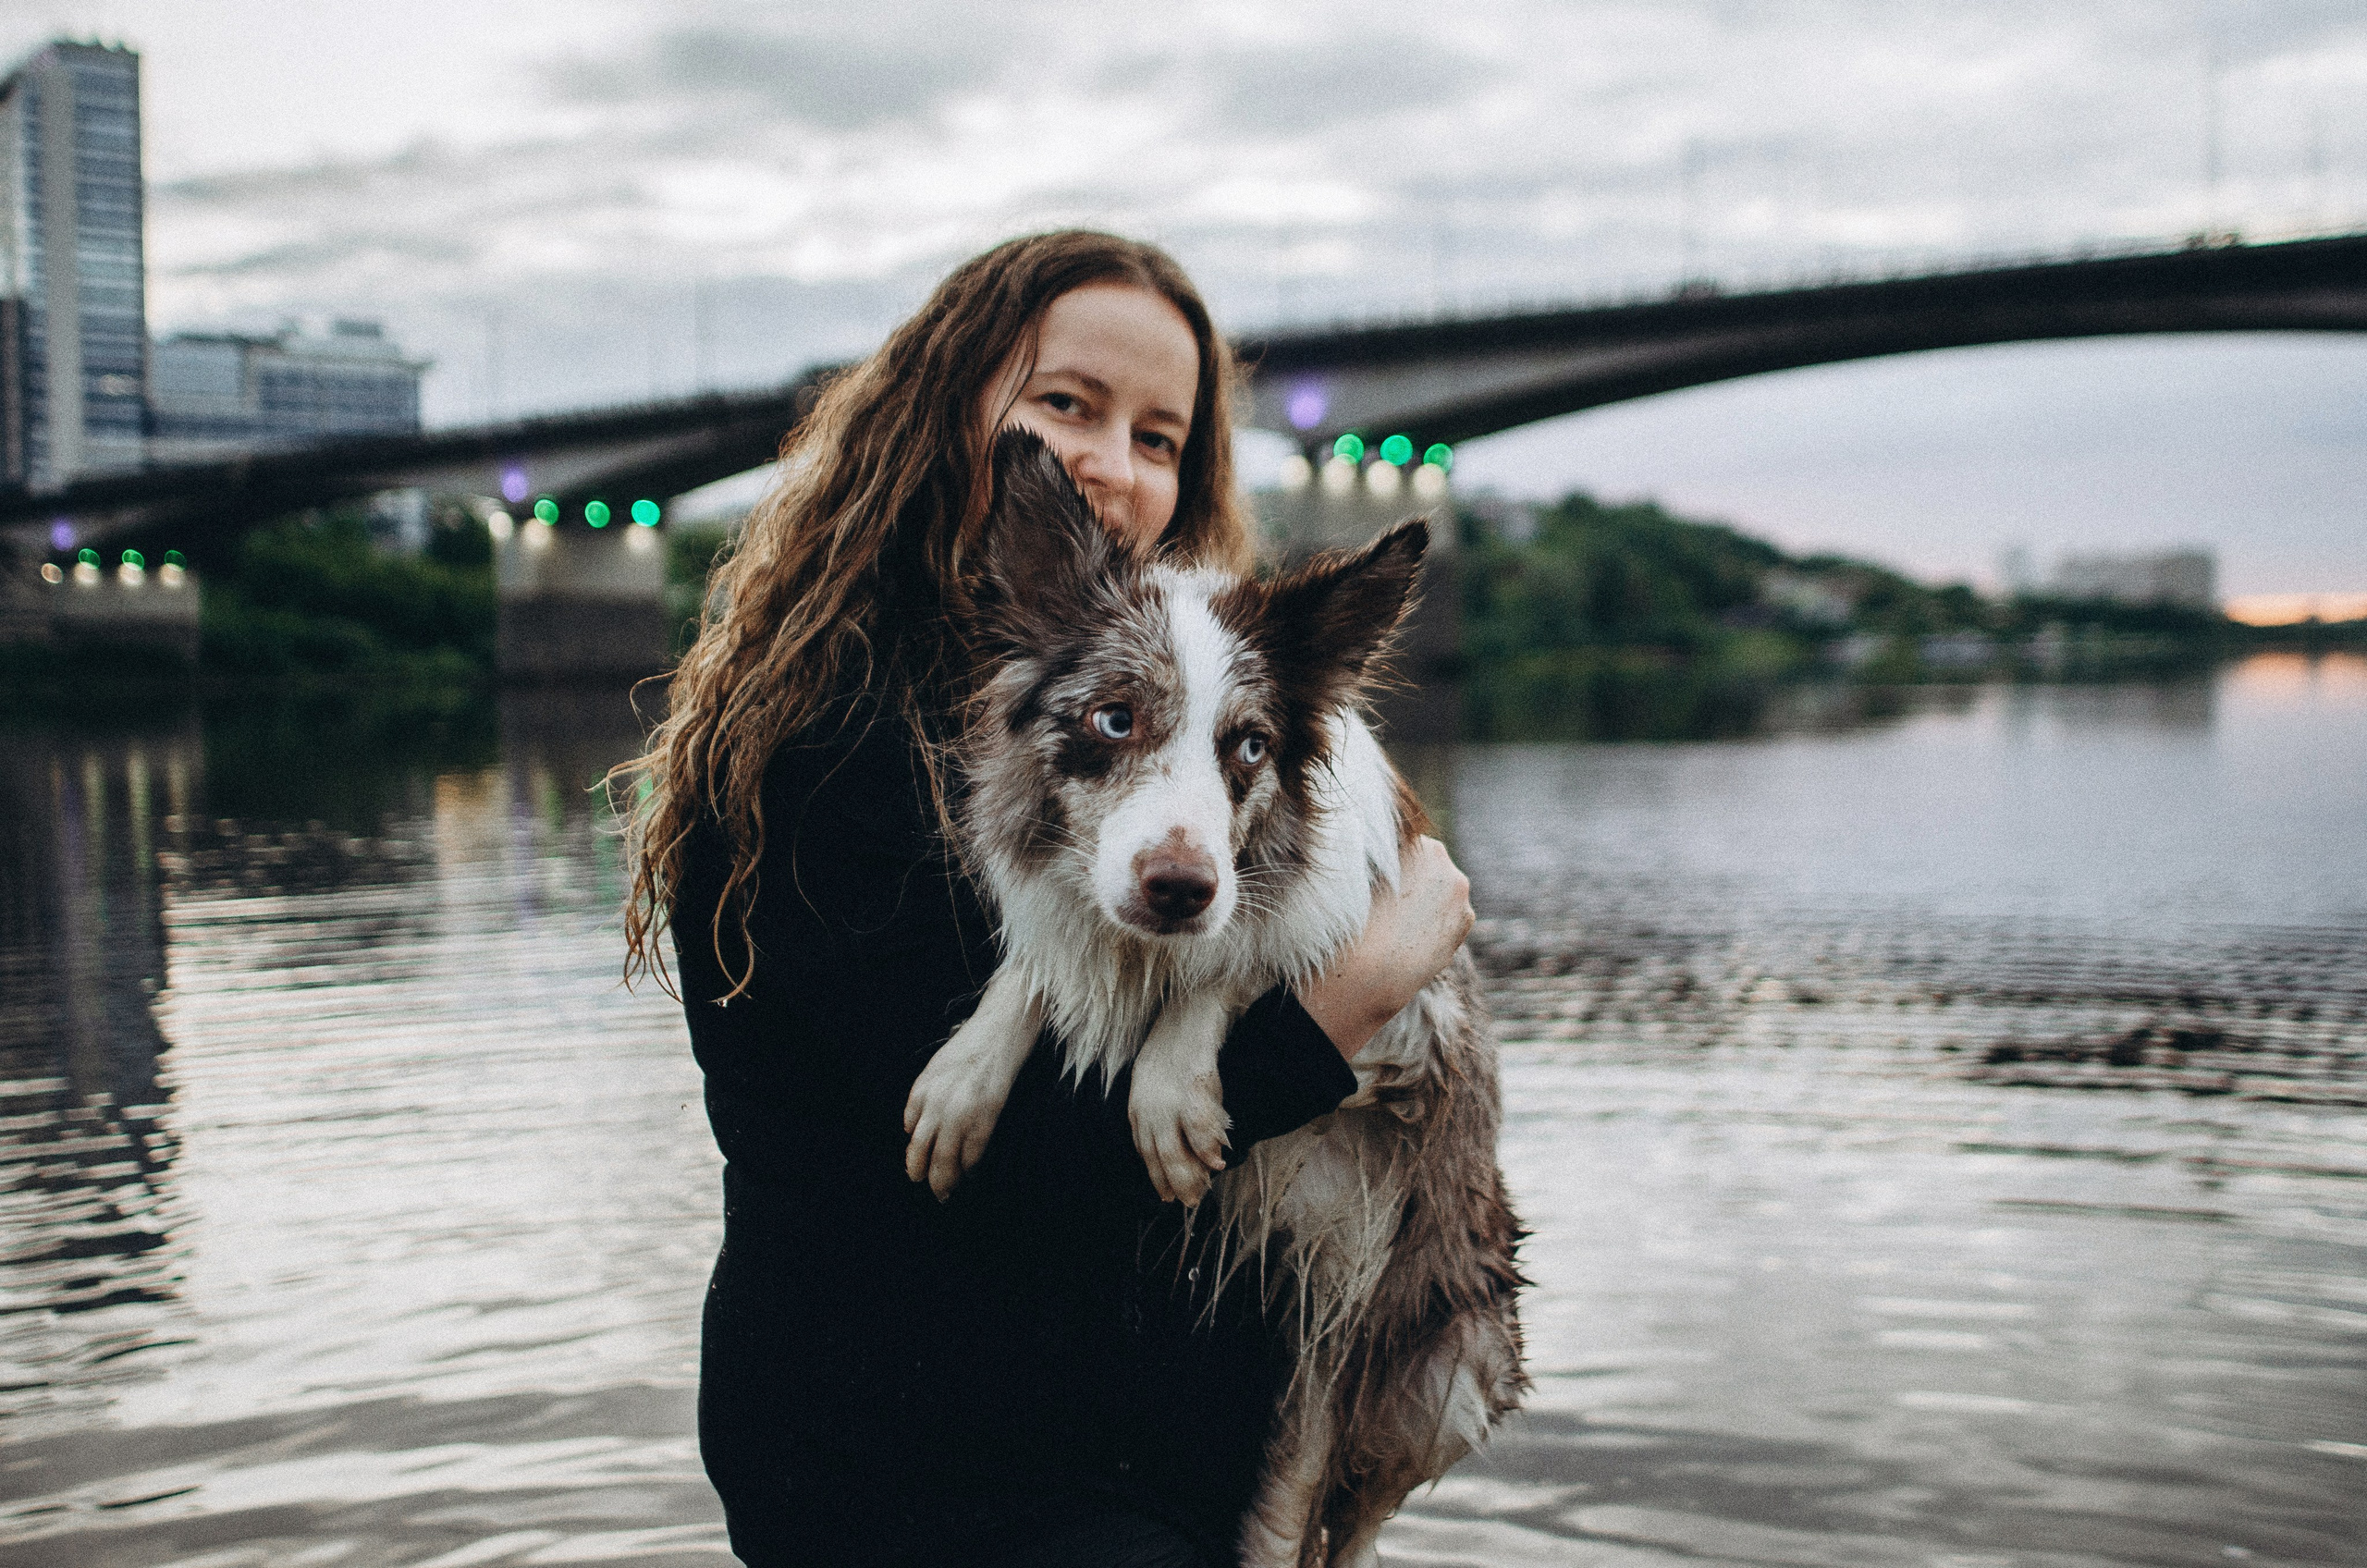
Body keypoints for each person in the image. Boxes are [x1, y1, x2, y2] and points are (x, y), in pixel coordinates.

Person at [621, 231, 1475, 1568]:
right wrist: (1345, 1004)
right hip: (930, 1481)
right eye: (1067, 405)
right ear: (945, 413)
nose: (1111, 465)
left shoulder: (1169, 689)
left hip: (1124, 1464)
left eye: (1159, 439)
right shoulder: (821, 748)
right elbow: (1012, 1180)